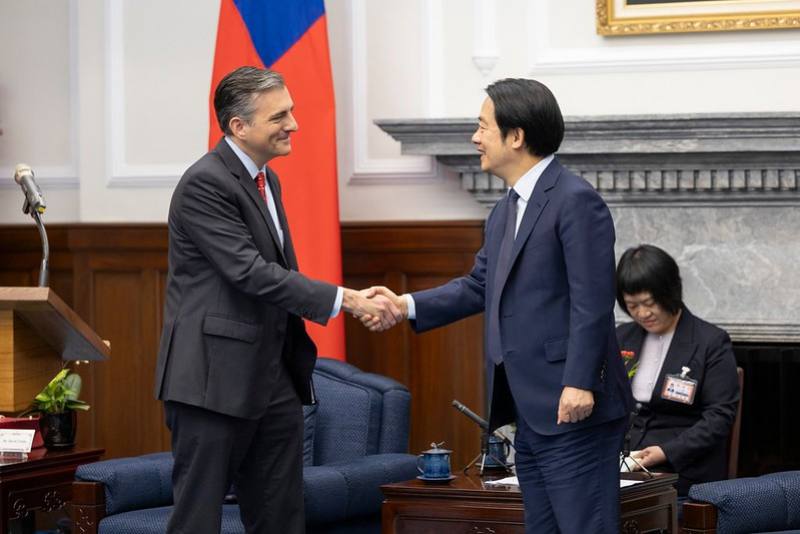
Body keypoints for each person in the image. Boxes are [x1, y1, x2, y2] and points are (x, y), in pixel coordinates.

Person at [366, 78, 633, 534]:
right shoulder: (505, 210)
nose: (475, 138)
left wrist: (580, 383)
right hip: (529, 409)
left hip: (573, 407)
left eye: (483, 126)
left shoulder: (575, 200)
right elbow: (478, 286)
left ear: (516, 136)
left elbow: (593, 301)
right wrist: (404, 303)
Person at [153, 66, 400, 534]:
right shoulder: (205, 183)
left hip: (273, 378)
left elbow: (276, 273)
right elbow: (249, 272)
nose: (294, 125)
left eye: (292, 111)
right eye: (279, 116)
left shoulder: (267, 180)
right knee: (197, 520)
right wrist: (344, 299)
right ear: (238, 126)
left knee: (282, 517)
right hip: (212, 381)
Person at [616, 244, 740, 497]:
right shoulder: (621, 338)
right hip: (622, 465)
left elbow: (719, 417)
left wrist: (666, 451)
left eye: (649, 302)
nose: (642, 313)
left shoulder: (710, 342)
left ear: (670, 292)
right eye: (632, 305)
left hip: (682, 469)